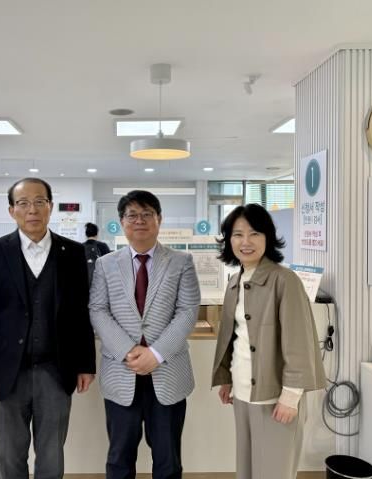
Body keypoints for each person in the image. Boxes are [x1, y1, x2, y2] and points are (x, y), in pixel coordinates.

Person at [0, 177, 96, 478]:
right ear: (11, 210)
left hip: (55, 369)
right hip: (7, 372)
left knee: (52, 455)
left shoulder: (72, 252)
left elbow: (80, 313)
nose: (32, 210)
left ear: (50, 206)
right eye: (23, 203)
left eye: (40, 202)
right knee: (10, 455)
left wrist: (85, 364)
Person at [89, 189, 201, 479]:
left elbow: (188, 311)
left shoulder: (181, 262)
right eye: (132, 215)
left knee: (168, 460)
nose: (139, 221)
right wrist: (127, 350)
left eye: (147, 214)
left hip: (168, 373)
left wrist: (156, 353)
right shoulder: (105, 264)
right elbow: (98, 309)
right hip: (121, 372)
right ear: (122, 222)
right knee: (119, 458)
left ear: (159, 219)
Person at [211, 203, 326, 479]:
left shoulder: (284, 280)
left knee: (274, 471)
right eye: (238, 234)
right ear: (228, 240)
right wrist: (226, 378)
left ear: (268, 237)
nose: (246, 242)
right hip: (242, 394)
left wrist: (291, 397)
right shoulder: (235, 281)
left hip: (275, 397)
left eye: (254, 234)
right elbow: (234, 338)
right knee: (247, 469)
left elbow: (299, 343)